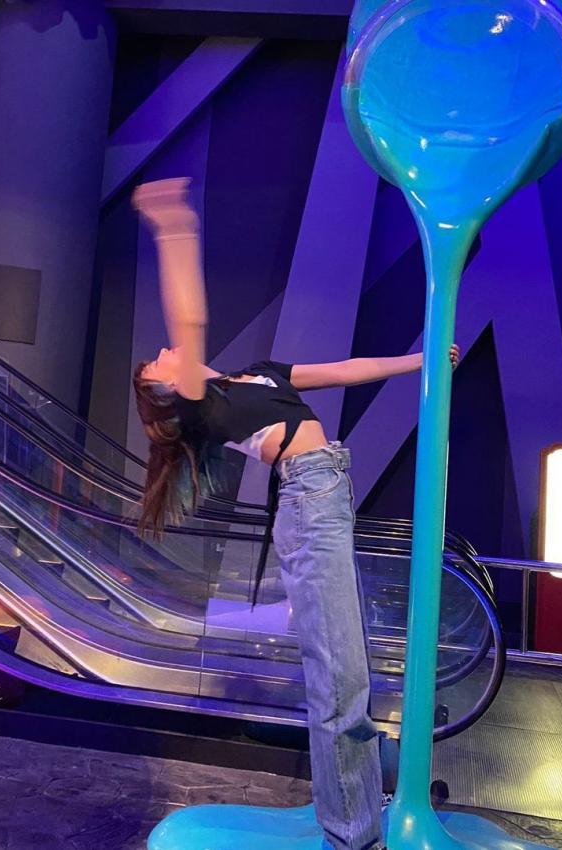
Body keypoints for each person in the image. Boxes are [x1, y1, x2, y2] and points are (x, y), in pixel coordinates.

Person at [131, 177, 459, 850]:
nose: (164, 354)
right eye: (156, 365)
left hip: (327, 491)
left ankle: (359, 815)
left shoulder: (254, 373)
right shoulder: (204, 406)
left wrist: (422, 361)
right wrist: (173, 226)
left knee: (347, 672)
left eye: (158, 356)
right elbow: (189, 321)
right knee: (340, 679)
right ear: (167, 389)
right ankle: (351, 836)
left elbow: (343, 369)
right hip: (310, 501)